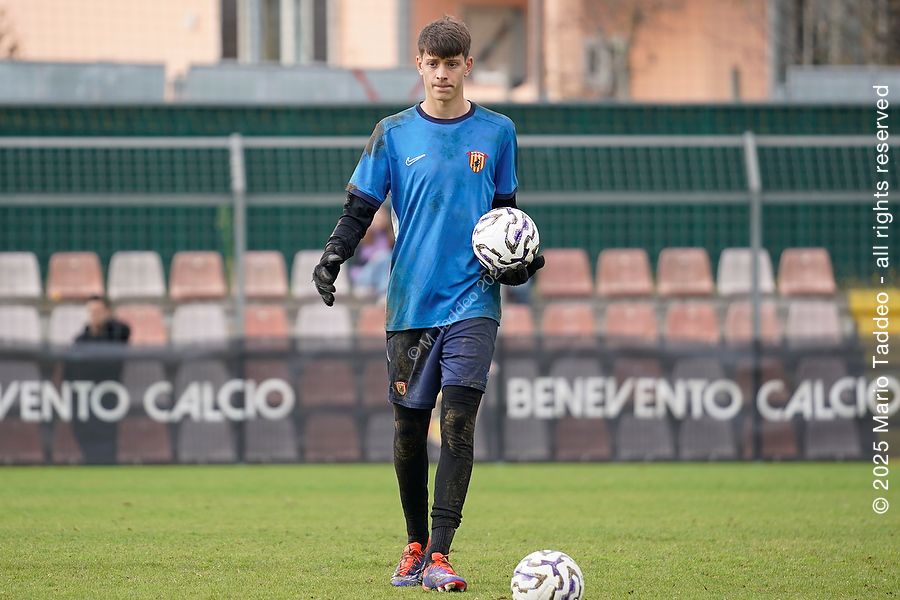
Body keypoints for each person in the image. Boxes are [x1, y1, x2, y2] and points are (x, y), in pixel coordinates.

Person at [311, 16, 544, 592]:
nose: (442, 74)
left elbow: (506, 216)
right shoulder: (391, 133)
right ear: (419, 64)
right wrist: (333, 255)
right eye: (433, 63)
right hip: (410, 302)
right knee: (409, 431)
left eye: (452, 63)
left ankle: (440, 552)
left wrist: (518, 260)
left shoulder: (498, 132)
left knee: (458, 423)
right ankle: (414, 544)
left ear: (468, 66)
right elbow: (360, 207)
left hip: (474, 300)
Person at [67, 295, 130, 464]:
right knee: (84, 429)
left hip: (110, 390)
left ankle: (109, 462)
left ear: (108, 312)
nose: (94, 315)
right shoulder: (81, 339)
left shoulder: (117, 332)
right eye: (91, 311)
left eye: (98, 311)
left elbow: (123, 333)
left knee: (108, 430)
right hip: (86, 393)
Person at [349, 204, 394, 299]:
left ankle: (383, 292)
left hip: (381, 275)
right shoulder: (361, 237)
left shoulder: (390, 238)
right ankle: (379, 290)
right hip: (364, 274)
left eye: (380, 218)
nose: (378, 221)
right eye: (375, 218)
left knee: (386, 257)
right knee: (384, 256)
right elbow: (355, 265)